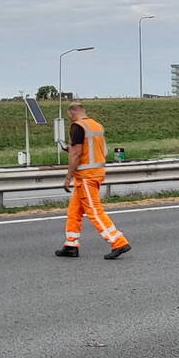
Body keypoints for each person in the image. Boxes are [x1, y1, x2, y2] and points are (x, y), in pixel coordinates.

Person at [55, 102, 131, 259]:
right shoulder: (97, 126)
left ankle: (118, 242)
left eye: (70, 116)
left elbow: (77, 154)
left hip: (86, 176)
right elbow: (95, 151)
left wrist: (68, 176)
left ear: (72, 113)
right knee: (74, 211)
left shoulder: (77, 126)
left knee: (94, 211)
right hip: (95, 172)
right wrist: (70, 149)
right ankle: (71, 244)